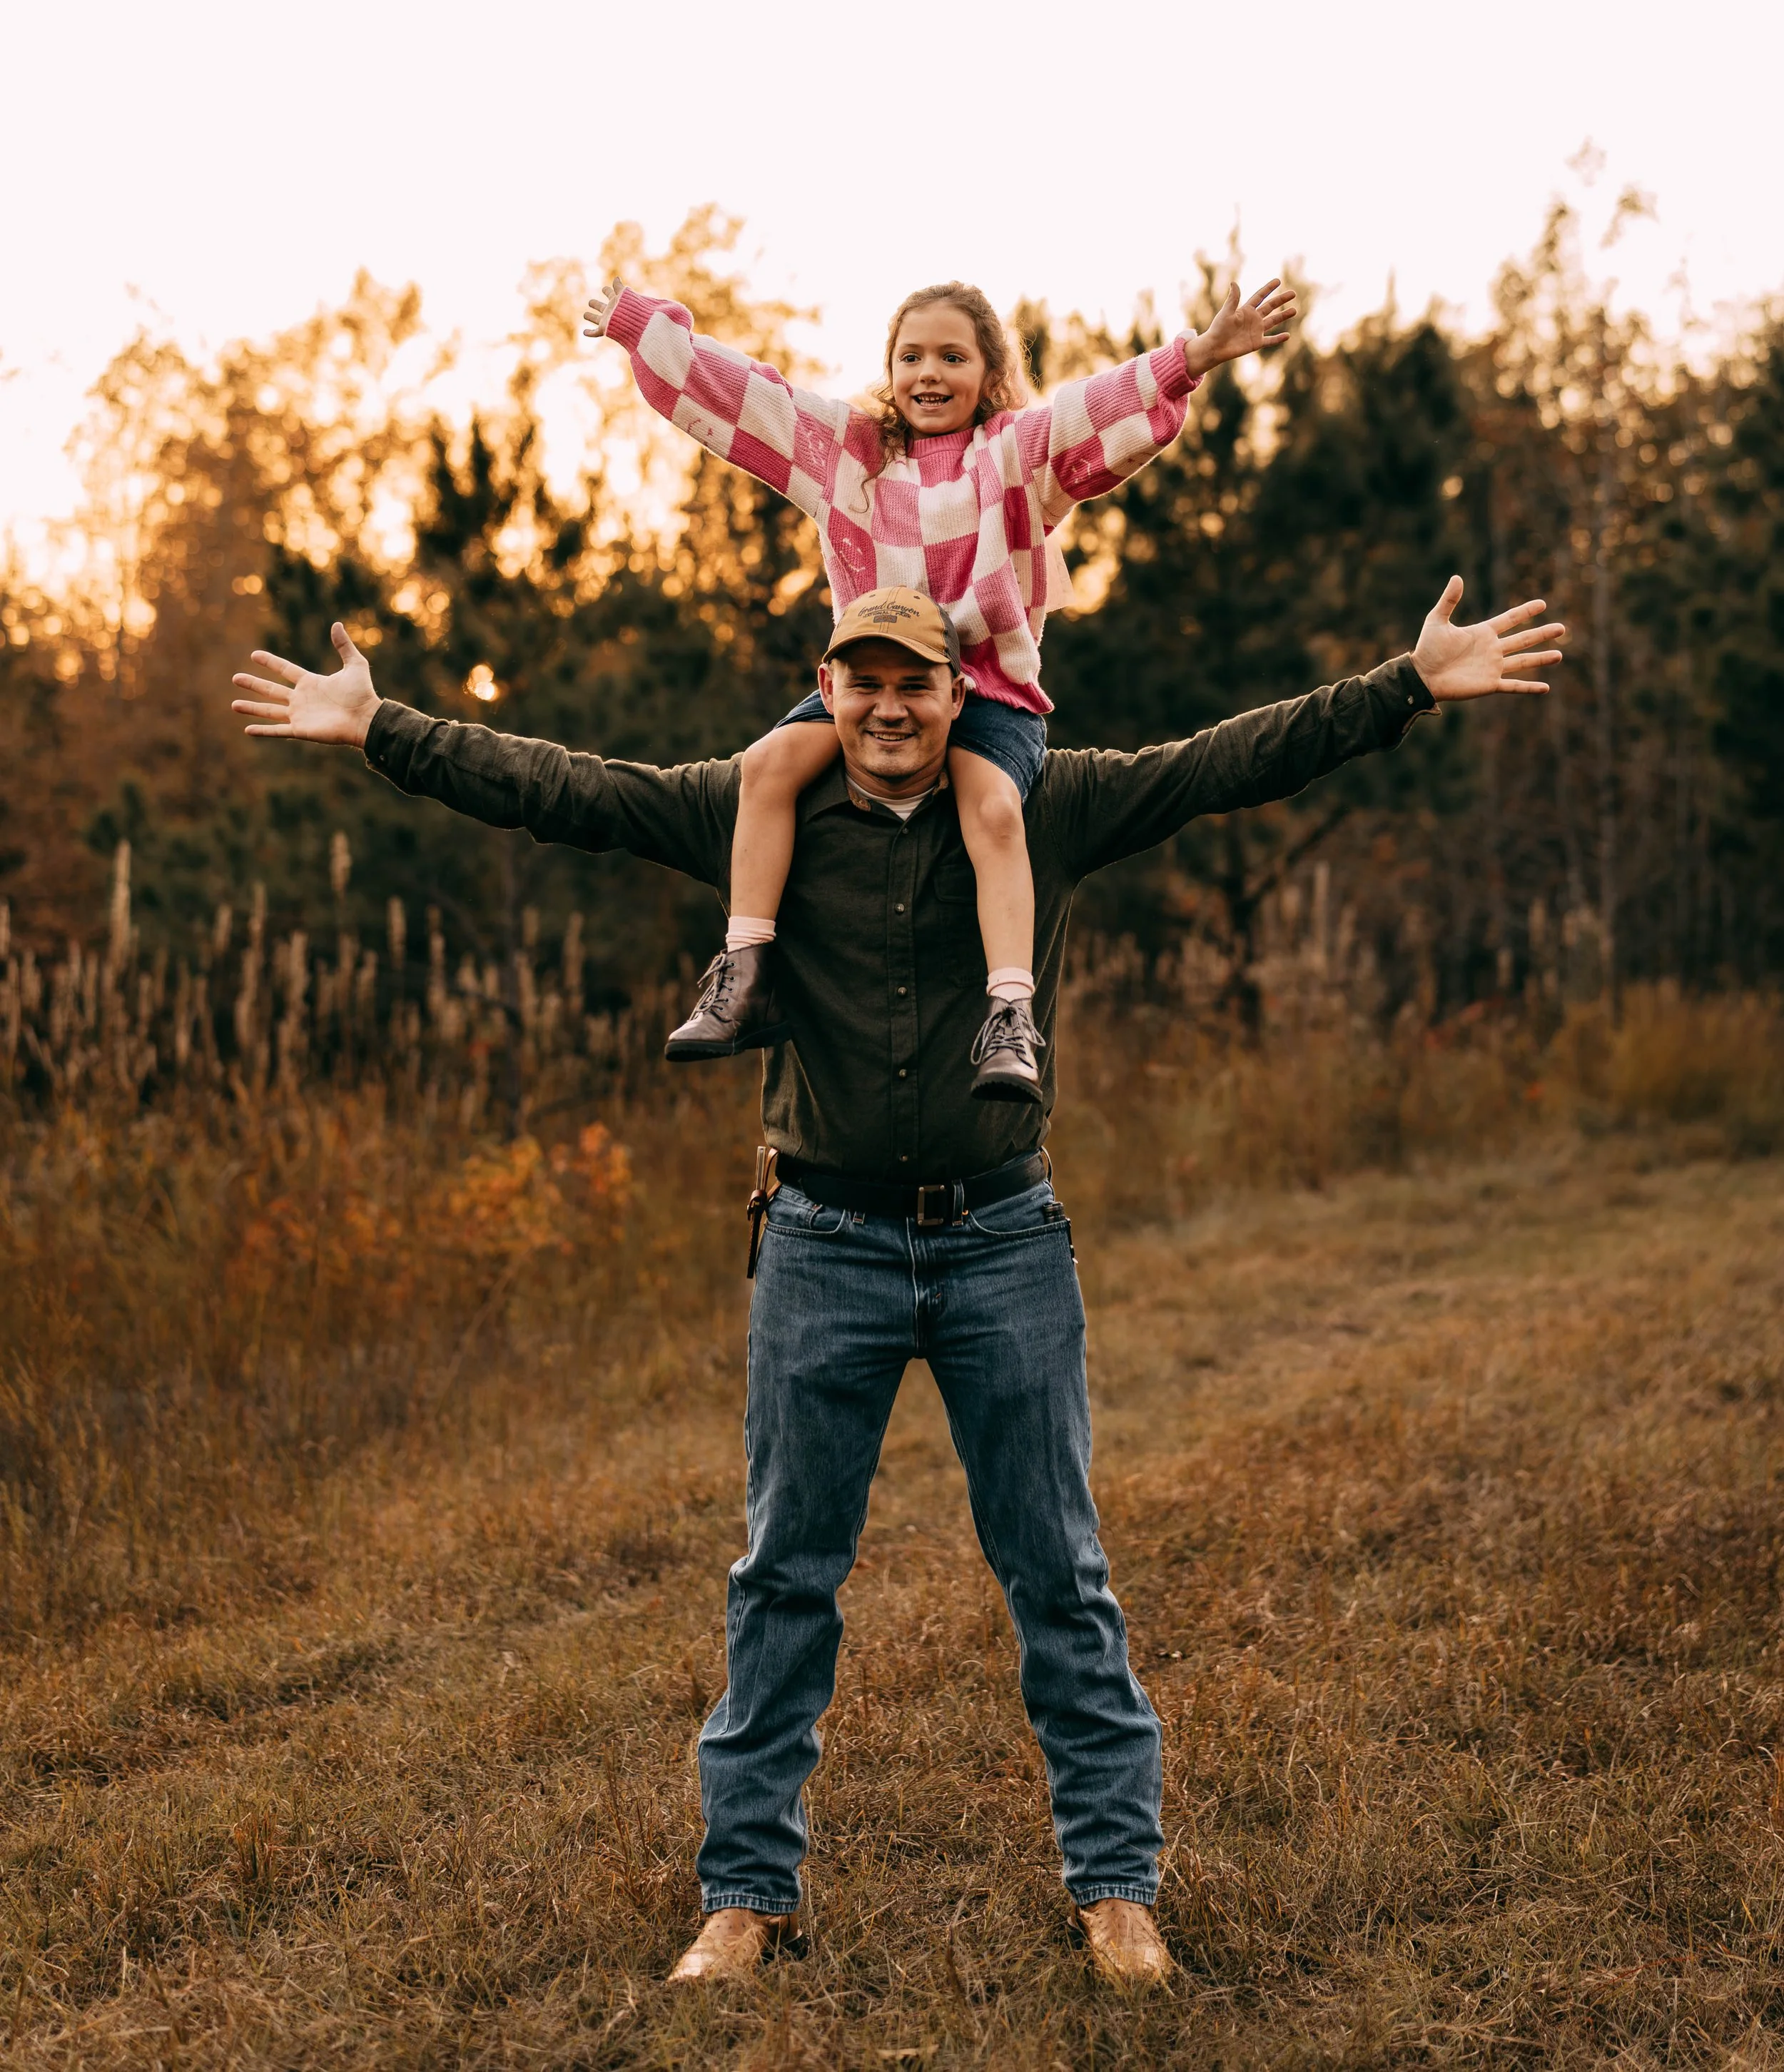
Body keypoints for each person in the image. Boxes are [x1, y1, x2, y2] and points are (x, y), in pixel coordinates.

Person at [230, 573, 1563, 1984]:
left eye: (911, 683)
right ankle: (746, 1903)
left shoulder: (1039, 807)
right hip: (822, 1243)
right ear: (828, 687)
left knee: (1057, 1570)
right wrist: (384, 729)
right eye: (858, 682)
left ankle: (1115, 1893)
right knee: (783, 1574)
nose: (884, 707)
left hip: (1002, 1240)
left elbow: (1223, 762)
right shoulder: (761, 811)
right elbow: (571, 790)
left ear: (956, 694)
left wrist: (1401, 687)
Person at [582, 268, 1297, 1100]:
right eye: (910, 356)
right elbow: (751, 396)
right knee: (765, 770)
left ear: (988, 373)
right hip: (875, 689)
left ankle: (1008, 1019)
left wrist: (1195, 356)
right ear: (889, 371)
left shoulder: (1014, 456)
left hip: (988, 691)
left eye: (951, 357)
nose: (928, 374)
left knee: (992, 811)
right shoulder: (846, 454)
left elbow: (1089, 411)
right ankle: (747, 968)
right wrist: (643, 325)